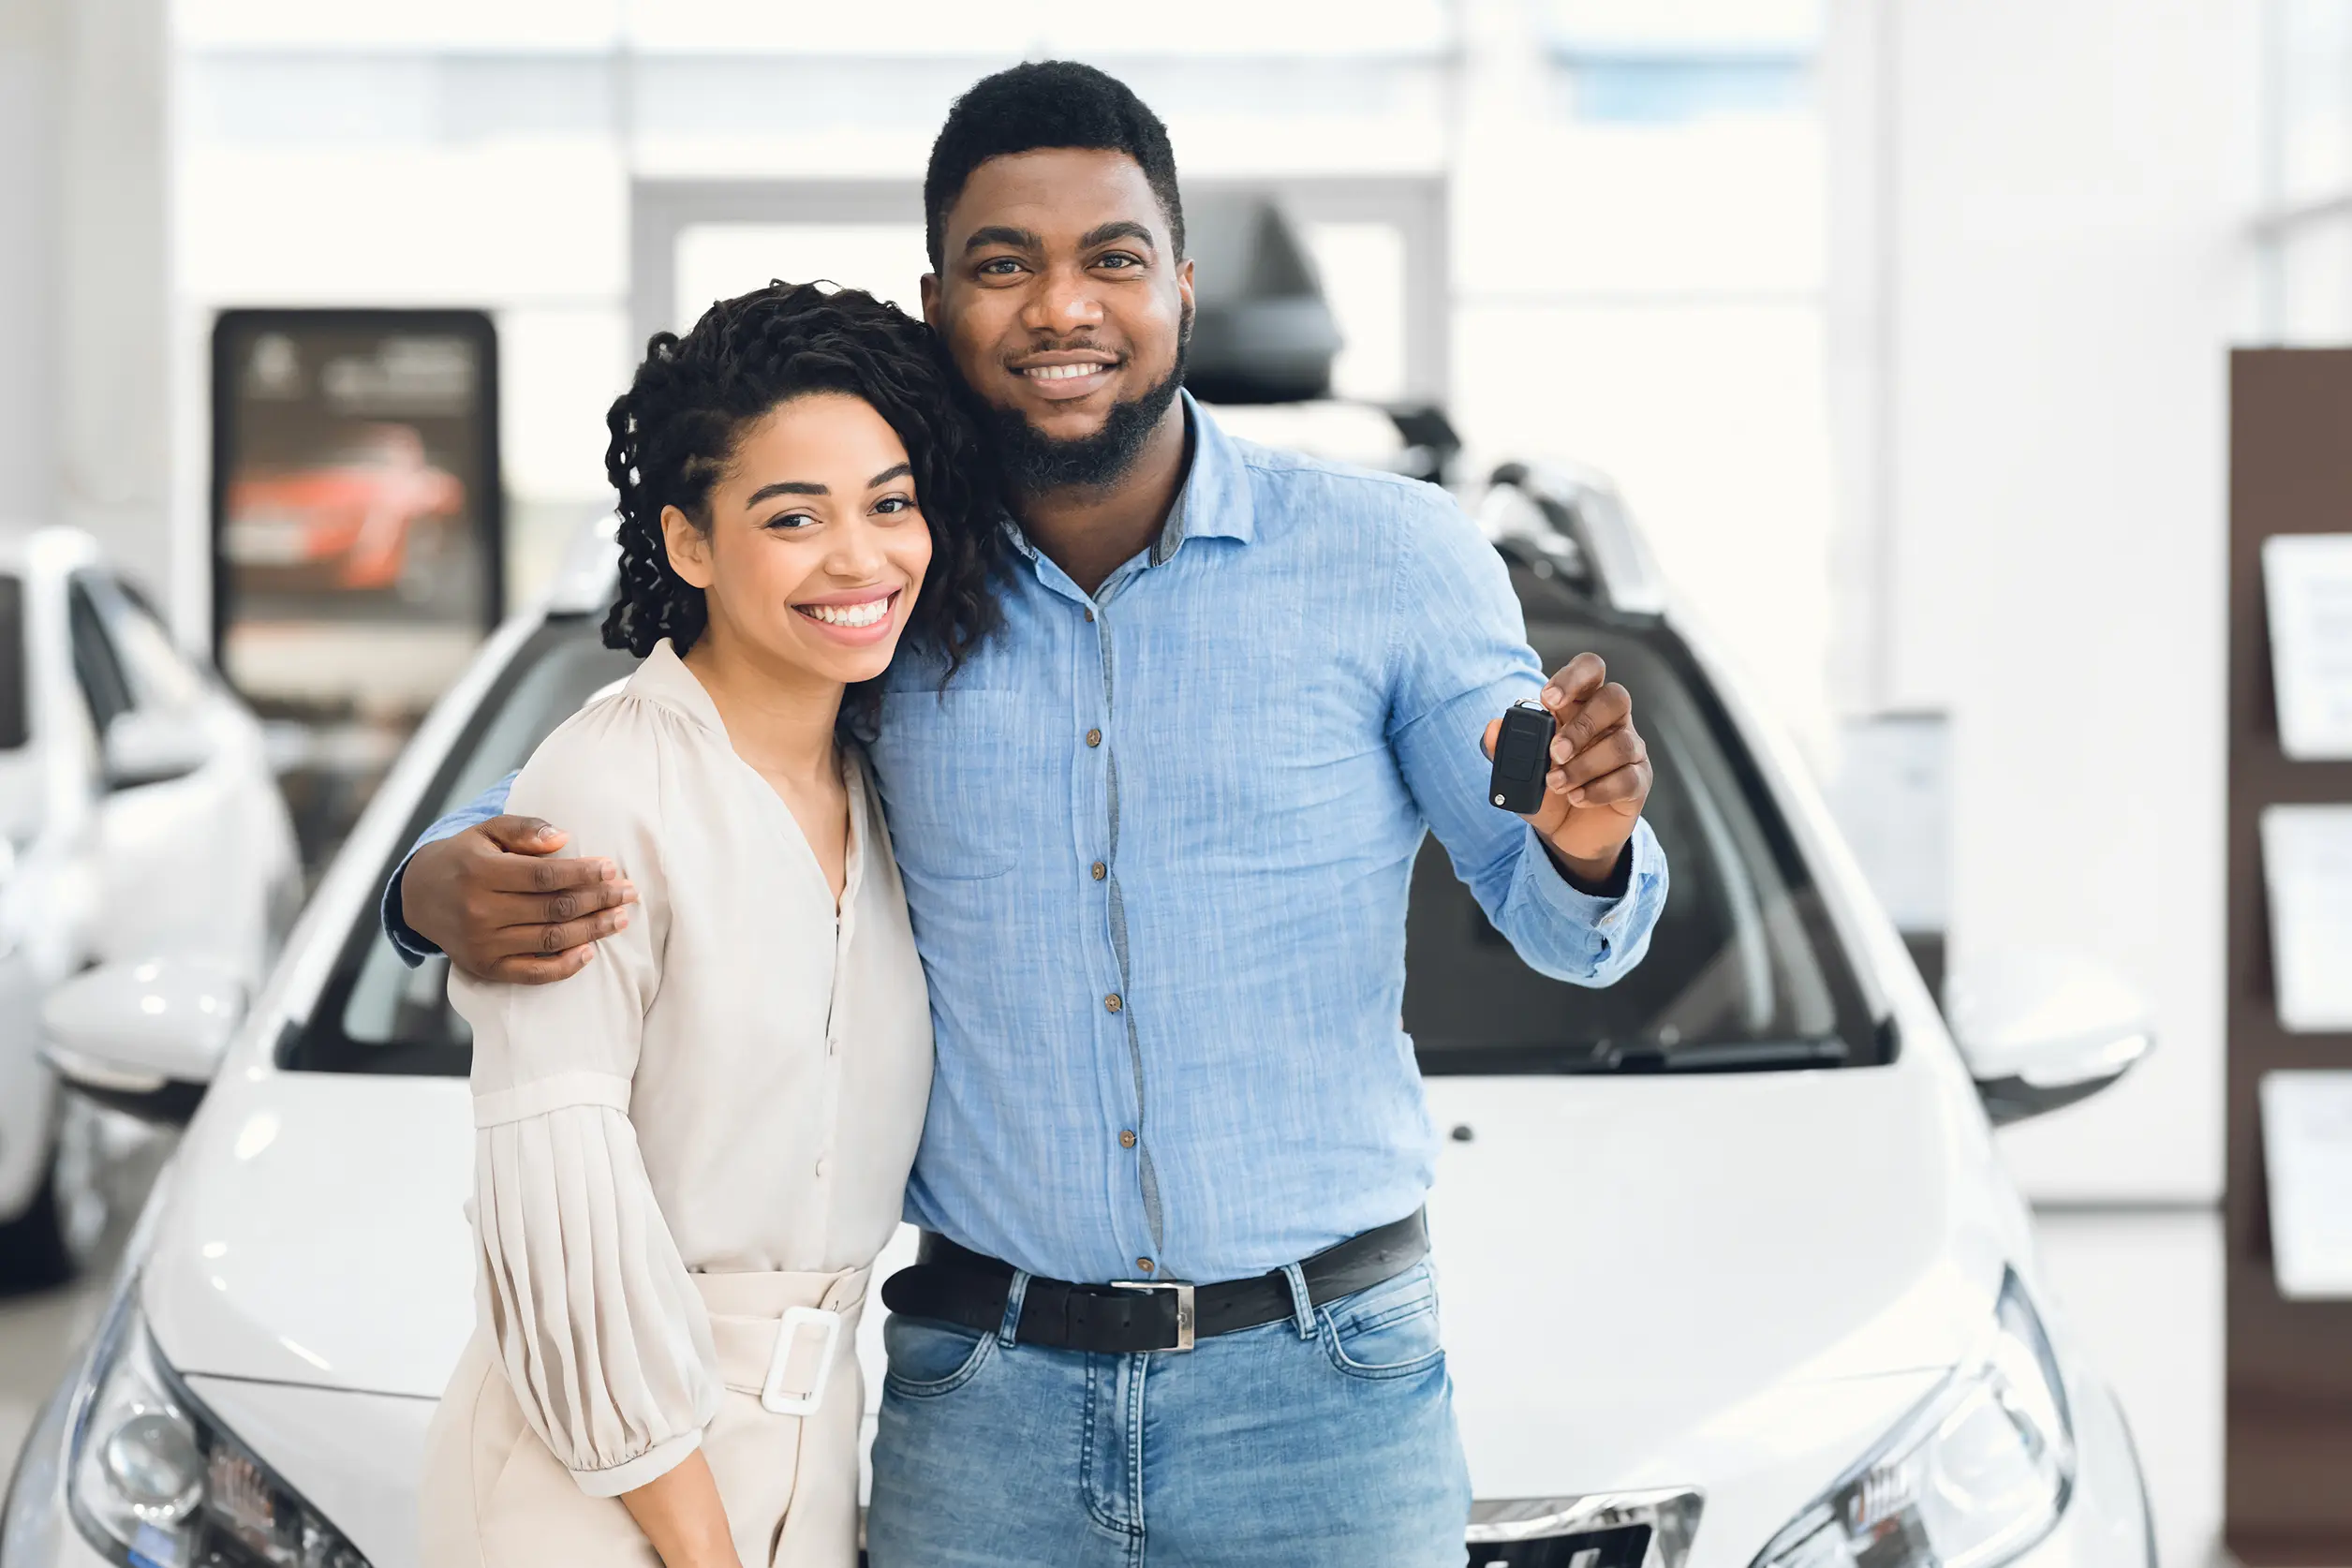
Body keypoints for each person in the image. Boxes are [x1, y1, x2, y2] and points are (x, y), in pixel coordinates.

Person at [392, 63, 1669, 1566]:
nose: (1062, 306)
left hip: (1324, 1392)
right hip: (977, 1397)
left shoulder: (1392, 561)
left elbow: (1554, 904)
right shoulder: (884, 580)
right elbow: (661, 747)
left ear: (1180, 288)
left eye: (1112, 260)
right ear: (937, 301)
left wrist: (1585, 839)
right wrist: (428, 879)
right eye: (1006, 266)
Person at [414, 281, 998, 1568]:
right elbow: (559, 1221)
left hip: (812, 1461)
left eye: (889, 504)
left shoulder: (883, 784)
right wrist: (704, 1550)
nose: (859, 558)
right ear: (689, 544)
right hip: (600, 1487)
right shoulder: (606, 784)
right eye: (793, 517)